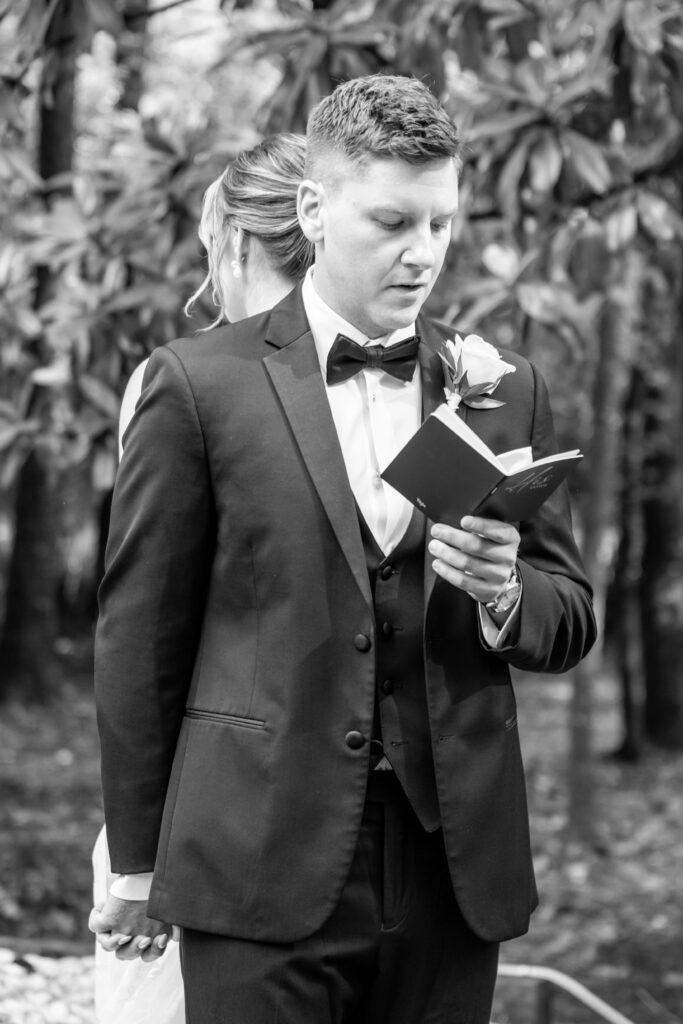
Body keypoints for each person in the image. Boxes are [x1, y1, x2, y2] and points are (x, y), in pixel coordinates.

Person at [91, 74, 596, 1024]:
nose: (423, 254)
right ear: (315, 212)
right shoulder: (199, 386)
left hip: (452, 869)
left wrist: (503, 595)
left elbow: (568, 616)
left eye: (441, 225)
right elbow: (138, 639)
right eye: (392, 223)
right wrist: (136, 857)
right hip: (254, 856)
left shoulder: (500, 387)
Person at [91, 132, 313, 1024]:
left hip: (206, 810)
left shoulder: (173, 380)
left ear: (230, 239)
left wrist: (141, 860)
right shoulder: (187, 383)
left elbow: (145, 635)